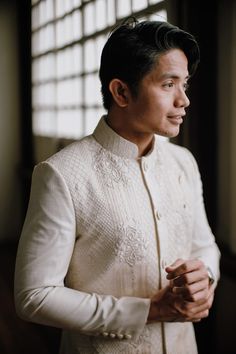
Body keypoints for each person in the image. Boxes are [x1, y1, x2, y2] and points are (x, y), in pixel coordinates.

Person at [14, 19, 220, 354]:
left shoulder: (184, 162)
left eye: (185, 85)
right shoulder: (62, 174)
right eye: (169, 84)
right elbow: (34, 296)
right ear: (121, 91)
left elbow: (205, 245)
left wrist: (205, 279)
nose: (184, 100)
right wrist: (150, 311)